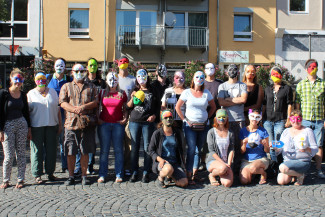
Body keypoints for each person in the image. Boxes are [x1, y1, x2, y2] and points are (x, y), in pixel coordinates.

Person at [59, 64, 98, 185]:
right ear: (72, 72)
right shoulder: (66, 86)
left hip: (86, 123)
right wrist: (74, 109)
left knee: (85, 151)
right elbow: (62, 102)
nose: (79, 73)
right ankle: (71, 176)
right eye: (77, 71)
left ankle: (84, 175)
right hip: (70, 123)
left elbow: (96, 102)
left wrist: (84, 107)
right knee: (70, 151)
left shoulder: (91, 86)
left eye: (81, 71)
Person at [175, 71, 216, 184]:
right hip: (189, 126)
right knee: (192, 149)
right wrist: (184, 119)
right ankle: (188, 174)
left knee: (199, 150)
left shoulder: (206, 92)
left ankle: (195, 174)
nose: (199, 79)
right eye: (197, 77)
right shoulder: (187, 92)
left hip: (203, 125)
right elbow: (178, 107)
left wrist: (207, 118)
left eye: (201, 77)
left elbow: (213, 107)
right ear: (193, 79)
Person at [27, 71, 61, 184]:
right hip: (36, 125)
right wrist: (28, 129)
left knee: (51, 150)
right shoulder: (31, 94)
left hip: (52, 124)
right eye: (39, 79)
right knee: (37, 151)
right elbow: (27, 113)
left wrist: (60, 124)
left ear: (46, 81)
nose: (41, 81)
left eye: (43, 79)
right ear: (35, 81)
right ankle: (37, 174)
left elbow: (58, 109)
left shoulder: (52, 92)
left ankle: (50, 172)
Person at [74, 58, 106, 176]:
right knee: (80, 142)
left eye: (95, 65)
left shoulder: (101, 82)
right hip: (83, 115)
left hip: (97, 115)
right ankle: (78, 166)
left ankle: (90, 165)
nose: (92, 67)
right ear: (87, 67)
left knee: (92, 142)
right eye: (90, 65)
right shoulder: (83, 80)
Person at [0, 69, 31, 189]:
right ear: (11, 79)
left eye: (21, 80)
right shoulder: (4, 93)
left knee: (21, 153)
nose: (18, 82)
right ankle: (6, 180)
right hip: (7, 125)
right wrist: (0, 130)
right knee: (8, 155)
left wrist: (29, 128)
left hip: (21, 124)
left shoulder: (23, 95)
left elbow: (26, 112)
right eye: (16, 79)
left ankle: (20, 179)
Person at [127, 68, 159, 183]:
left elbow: (157, 107)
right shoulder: (134, 89)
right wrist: (132, 97)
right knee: (134, 148)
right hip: (134, 121)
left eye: (143, 76)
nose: (142, 79)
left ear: (147, 77)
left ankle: (146, 172)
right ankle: (134, 172)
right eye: (139, 76)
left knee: (147, 148)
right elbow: (128, 106)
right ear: (136, 78)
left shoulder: (152, 90)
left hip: (147, 123)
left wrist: (154, 116)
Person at [295, 59, 325, 178]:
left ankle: (318, 169)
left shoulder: (323, 84)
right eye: (311, 67)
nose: (313, 69)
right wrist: (298, 119)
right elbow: (297, 103)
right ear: (306, 68)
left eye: (315, 67)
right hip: (305, 120)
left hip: (319, 119)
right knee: (303, 144)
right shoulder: (301, 84)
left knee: (318, 145)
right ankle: (304, 169)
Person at [97, 72, 127, 183]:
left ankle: (119, 174)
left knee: (118, 150)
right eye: (110, 79)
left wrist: (125, 119)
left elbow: (125, 108)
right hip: (104, 124)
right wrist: (97, 118)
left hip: (117, 125)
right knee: (104, 151)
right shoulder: (102, 93)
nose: (112, 82)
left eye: (115, 80)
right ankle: (102, 174)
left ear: (118, 81)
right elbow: (98, 106)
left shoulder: (122, 93)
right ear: (106, 80)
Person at [218, 64, 248, 174]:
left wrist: (228, 99)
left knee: (239, 146)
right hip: (225, 120)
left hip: (239, 120)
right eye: (230, 69)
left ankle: (237, 170)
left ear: (238, 72)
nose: (232, 71)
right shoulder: (222, 86)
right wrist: (236, 99)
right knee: (226, 146)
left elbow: (244, 99)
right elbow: (221, 102)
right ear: (226, 72)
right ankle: (226, 170)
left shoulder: (242, 85)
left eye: (235, 69)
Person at [276, 110, 318, 185]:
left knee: (282, 167)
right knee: (281, 181)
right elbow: (280, 147)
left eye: (298, 119)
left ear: (301, 119)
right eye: (293, 119)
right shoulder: (286, 131)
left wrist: (306, 149)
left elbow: (315, 149)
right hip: (288, 161)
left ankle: (300, 174)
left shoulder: (308, 131)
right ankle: (297, 175)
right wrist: (275, 148)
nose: (296, 122)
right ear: (290, 120)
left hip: (302, 161)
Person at [148, 109, 188, 188]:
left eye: (170, 117)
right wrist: (160, 159)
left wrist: (183, 167)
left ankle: (170, 176)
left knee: (184, 183)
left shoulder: (177, 133)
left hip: (175, 163)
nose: (168, 119)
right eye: (166, 117)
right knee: (168, 169)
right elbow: (150, 150)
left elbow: (182, 150)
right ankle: (161, 178)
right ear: (162, 120)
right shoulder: (157, 133)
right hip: (162, 163)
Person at [47, 58, 72, 173]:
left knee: (64, 142)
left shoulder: (69, 80)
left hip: (64, 115)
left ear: (65, 67)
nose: (59, 68)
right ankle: (48, 167)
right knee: (49, 142)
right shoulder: (47, 79)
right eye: (57, 65)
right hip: (50, 115)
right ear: (54, 67)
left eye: (62, 65)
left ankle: (65, 165)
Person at [263, 66, 293, 162]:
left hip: (280, 120)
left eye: (277, 74)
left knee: (279, 144)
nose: (275, 76)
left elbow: (289, 105)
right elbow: (264, 104)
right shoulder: (267, 89)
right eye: (273, 74)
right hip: (268, 120)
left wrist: (288, 119)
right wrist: (261, 118)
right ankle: (274, 165)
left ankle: (280, 164)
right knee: (271, 145)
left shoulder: (287, 88)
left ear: (281, 75)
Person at [200, 63, 224, 171]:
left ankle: (218, 161)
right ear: (204, 70)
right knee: (203, 140)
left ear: (215, 70)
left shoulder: (220, 83)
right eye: (207, 68)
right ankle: (202, 161)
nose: (210, 70)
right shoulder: (201, 82)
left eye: (212, 68)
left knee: (216, 139)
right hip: (203, 116)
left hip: (216, 117)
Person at [239, 109, 270, 185]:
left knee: (253, 168)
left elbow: (267, 151)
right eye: (252, 116)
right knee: (244, 181)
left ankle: (263, 173)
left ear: (260, 118)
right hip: (247, 160)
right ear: (249, 117)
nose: (254, 119)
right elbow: (242, 151)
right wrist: (244, 143)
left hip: (261, 158)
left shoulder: (263, 131)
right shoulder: (243, 131)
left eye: (257, 117)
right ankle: (253, 173)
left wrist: (265, 145)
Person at [117, 56, 136, 176]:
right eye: (121, 62)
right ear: (117, 64)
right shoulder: (114, 78)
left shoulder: (133, 80)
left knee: (129, 142)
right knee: (117, 143)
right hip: (115, 115)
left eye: (125, 62)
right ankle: (118, 167)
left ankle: (127, 166)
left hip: (129, 115)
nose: (123, 64)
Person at [206, 109, 234, 187]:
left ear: (227, 118)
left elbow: (231, 149)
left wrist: (228, 163)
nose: (221, 119)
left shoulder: (230, 132)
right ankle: (212, 175)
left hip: (226, 163)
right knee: (223, 168)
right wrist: (223, 163)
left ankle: (221, 172)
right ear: (216, 118)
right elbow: (211, 151)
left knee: (227, 184)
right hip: (213, 161)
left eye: (224, 117)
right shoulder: (211, 132)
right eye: (219, 117)